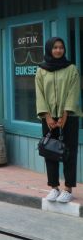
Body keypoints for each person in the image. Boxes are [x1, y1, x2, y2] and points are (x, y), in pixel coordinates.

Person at [35, 37, 81, 203]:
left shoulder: (71, 69)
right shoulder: (41, 70)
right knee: (50, 152)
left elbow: (73, 92)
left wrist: (64, 115)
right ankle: (54, 187)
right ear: (49, 49)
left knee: (69, 152)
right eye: (55, 47)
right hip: (48, 118)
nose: (58, 50)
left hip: (68, 117)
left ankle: (68, 188)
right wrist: (46, 115)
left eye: (61, 47)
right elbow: (39, 93)